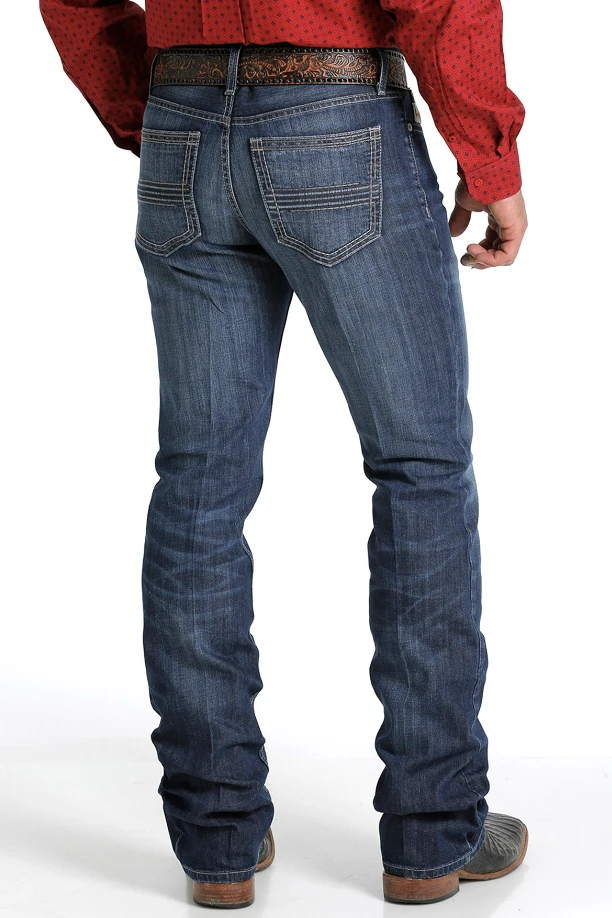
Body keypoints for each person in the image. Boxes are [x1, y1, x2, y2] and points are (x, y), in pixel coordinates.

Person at [39, 0, 529, 908]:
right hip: (337, 117)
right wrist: (488, 153)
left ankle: (216, 837)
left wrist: (150, 105)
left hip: (182, 125)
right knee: (420, 470)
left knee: (199, 483)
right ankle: (432, 833)